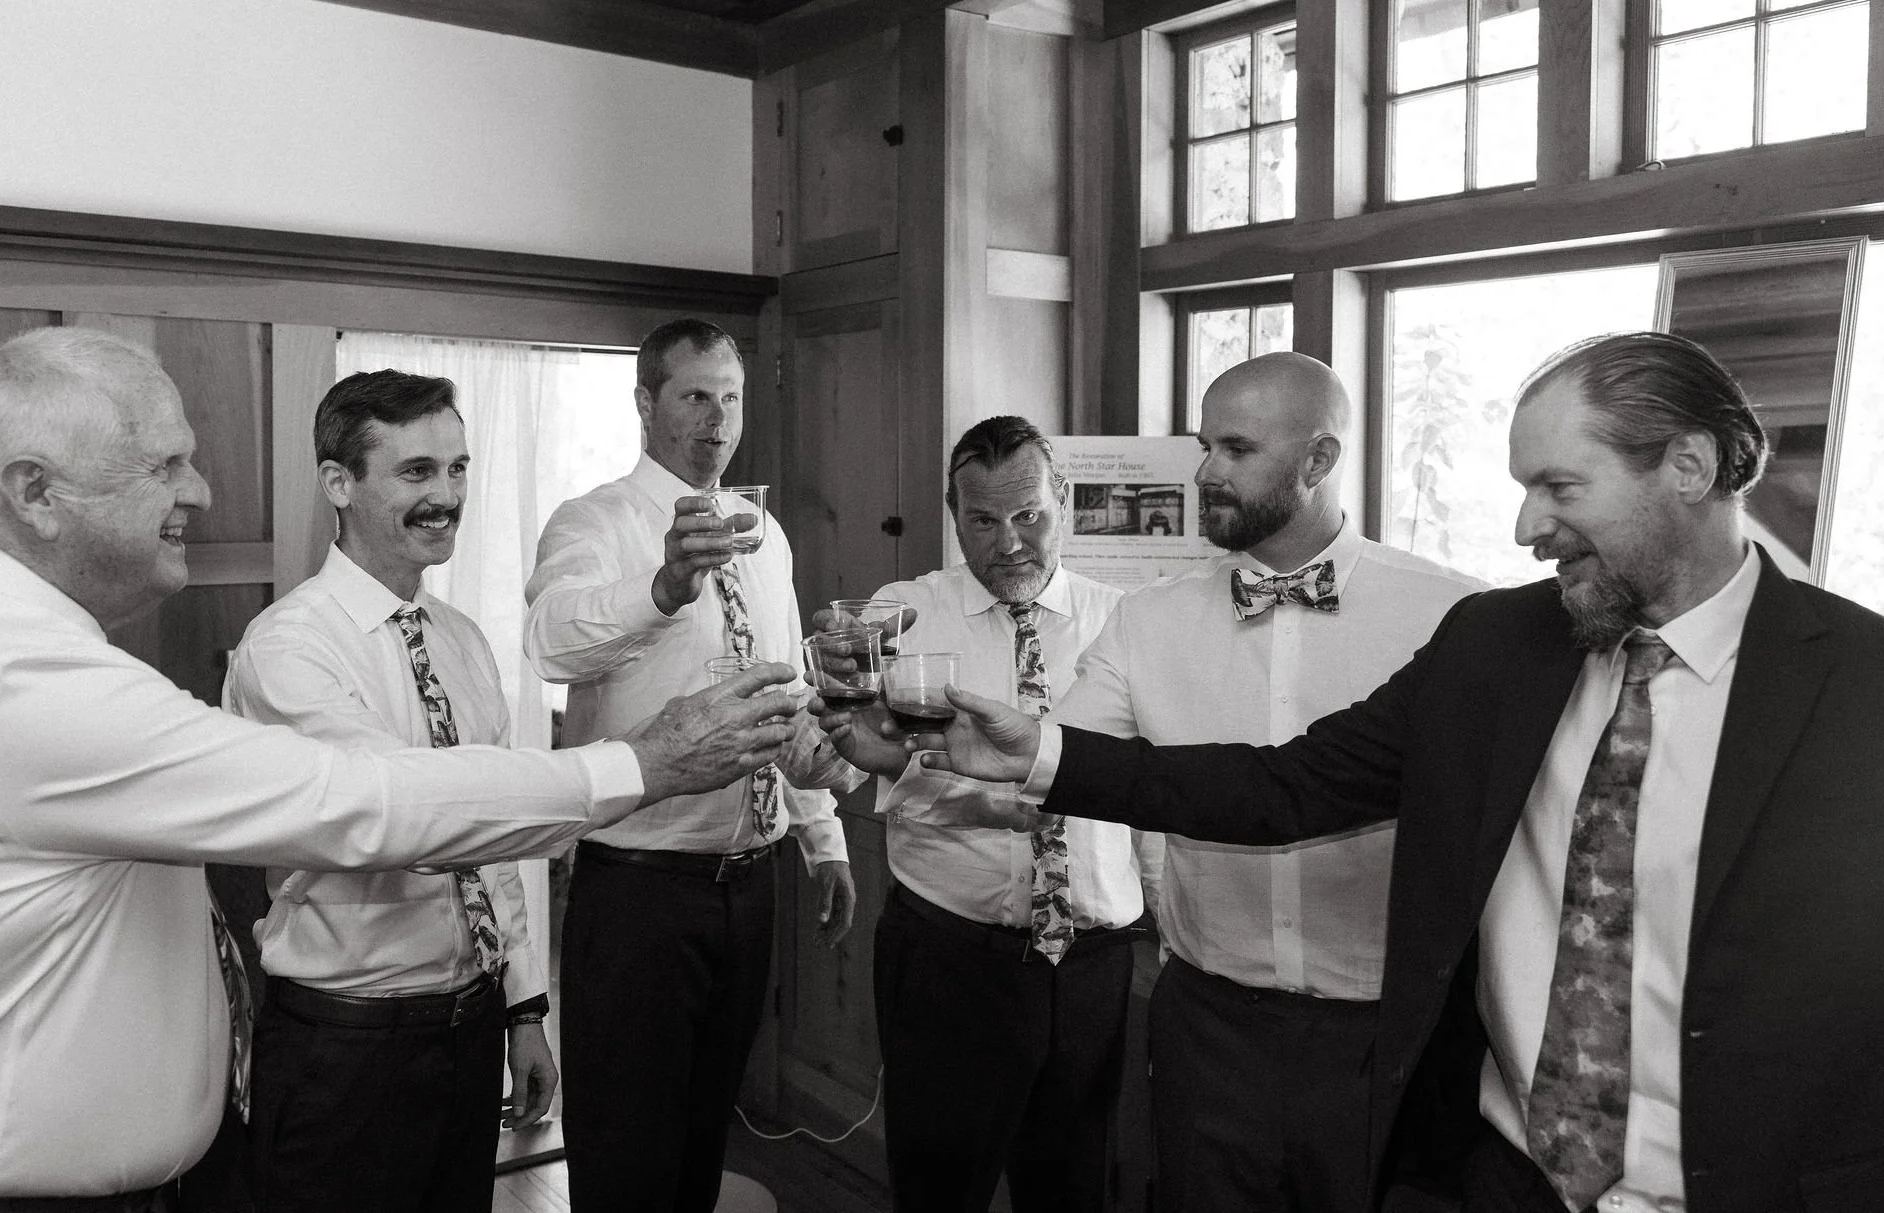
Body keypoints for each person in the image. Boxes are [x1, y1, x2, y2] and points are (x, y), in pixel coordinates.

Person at [0, 327, 805, 1211]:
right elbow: (363, 804)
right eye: (163, 464)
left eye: (460, 467)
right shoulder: (12, 673)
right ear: (35, 491)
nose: (200, 492)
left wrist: (520, 1007)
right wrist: (641, 762)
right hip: (196, 1113)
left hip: (432, 1032)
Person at [922, 331, 1884, 1213]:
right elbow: (1284, 786)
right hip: (1500, 1174)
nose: (1524, 527)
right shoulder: (1499, 645)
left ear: (1689, 465)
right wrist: (1041, 752)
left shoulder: (1859, 690)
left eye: (1560, 487)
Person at [1041, 354, 1481, 1212]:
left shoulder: (1449, 618)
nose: (1204, 472)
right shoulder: (1149, 620)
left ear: (1318, 461)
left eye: (1235, 449)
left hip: (1388, 1036)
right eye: (1206, 445)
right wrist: (914, 742)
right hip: (1209, 1029)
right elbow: (1056, 758)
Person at [524, 318, 861, 1213]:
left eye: (732, 398)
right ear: (646, 403)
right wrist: (664, 587)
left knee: (703, 1142)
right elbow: (550, 641)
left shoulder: (766, 533)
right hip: (638, 889)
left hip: (750, 884)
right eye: (695, 397)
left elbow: (782, 685)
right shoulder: (594, 520)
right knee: (625, 1151)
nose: (717, 420)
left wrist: (822, 838)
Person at [222, 371, 550, 1212]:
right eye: (416, 472)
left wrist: (522, 1009)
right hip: (345, 1047)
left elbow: (497, 849)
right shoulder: (289, 647)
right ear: (340, 482)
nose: (447, 495)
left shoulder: (467, 643)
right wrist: (609, 782)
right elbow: (415, 812)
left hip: (470, 1028)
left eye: (459, 467)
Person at [851, 415, 1138, 1213]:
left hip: (1092, 963)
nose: (1009, 542)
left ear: (1066, 504)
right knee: (939, 1192)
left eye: (1029, 515)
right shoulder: (904, 615)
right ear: (954, 517)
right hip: (950, 959)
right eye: (983, 520)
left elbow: (1153, 791)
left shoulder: (1130, 623)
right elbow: (839, 758)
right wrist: (963, 792)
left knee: (1076, 1192)